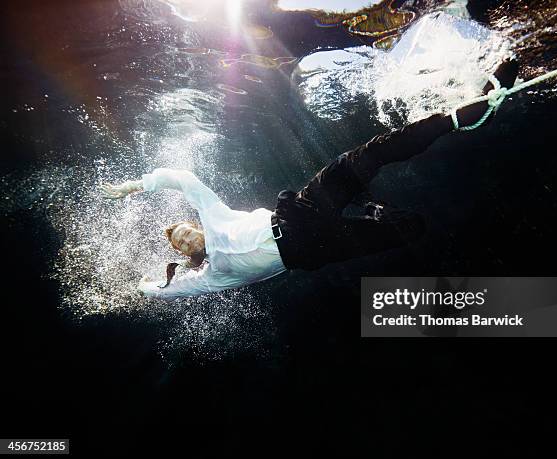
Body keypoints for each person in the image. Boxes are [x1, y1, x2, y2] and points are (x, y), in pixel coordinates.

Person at [101, 60, 519, 300]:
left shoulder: (214, 215)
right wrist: (143, 287)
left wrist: (139, 185)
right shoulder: (212, 276)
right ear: (185, 254)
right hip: (313, 251)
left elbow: (185, 179)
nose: (189, 239)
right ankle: (375, 208)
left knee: (366, 155)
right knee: (410, 229)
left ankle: (463, 115)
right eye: (182, 243)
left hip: (299, 213)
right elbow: (167, 292)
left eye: (186, 231)